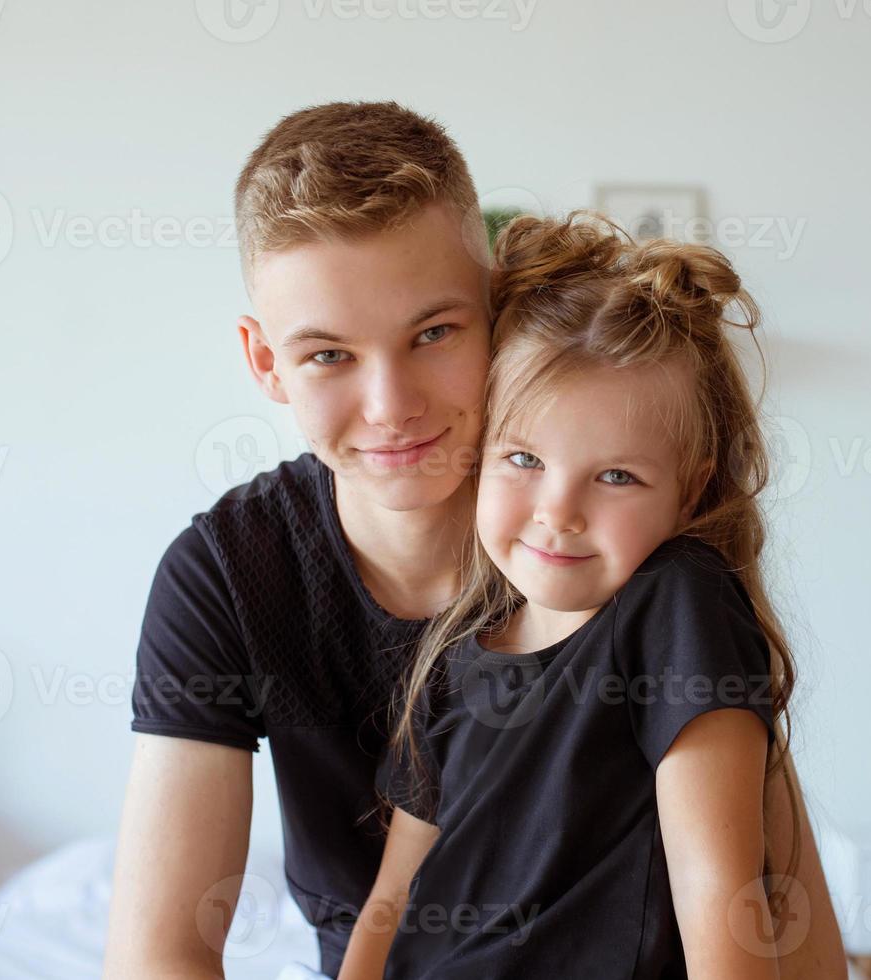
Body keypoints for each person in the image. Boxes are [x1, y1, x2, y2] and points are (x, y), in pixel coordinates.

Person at [103, 101, 846, 980]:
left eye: (432, 333)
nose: (391, 407)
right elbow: (165, 954)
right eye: (327, 356)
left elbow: (767, 905)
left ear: (494, 306)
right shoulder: (227, 571)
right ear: (265, 362)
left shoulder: (615, 552)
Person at [337, 212, 788, 979]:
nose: (558, 510)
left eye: (616, 476)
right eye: (523, 458)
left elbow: (722, 900)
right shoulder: (450, 658)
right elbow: (391, 901)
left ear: (691, 490)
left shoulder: (676, 604)